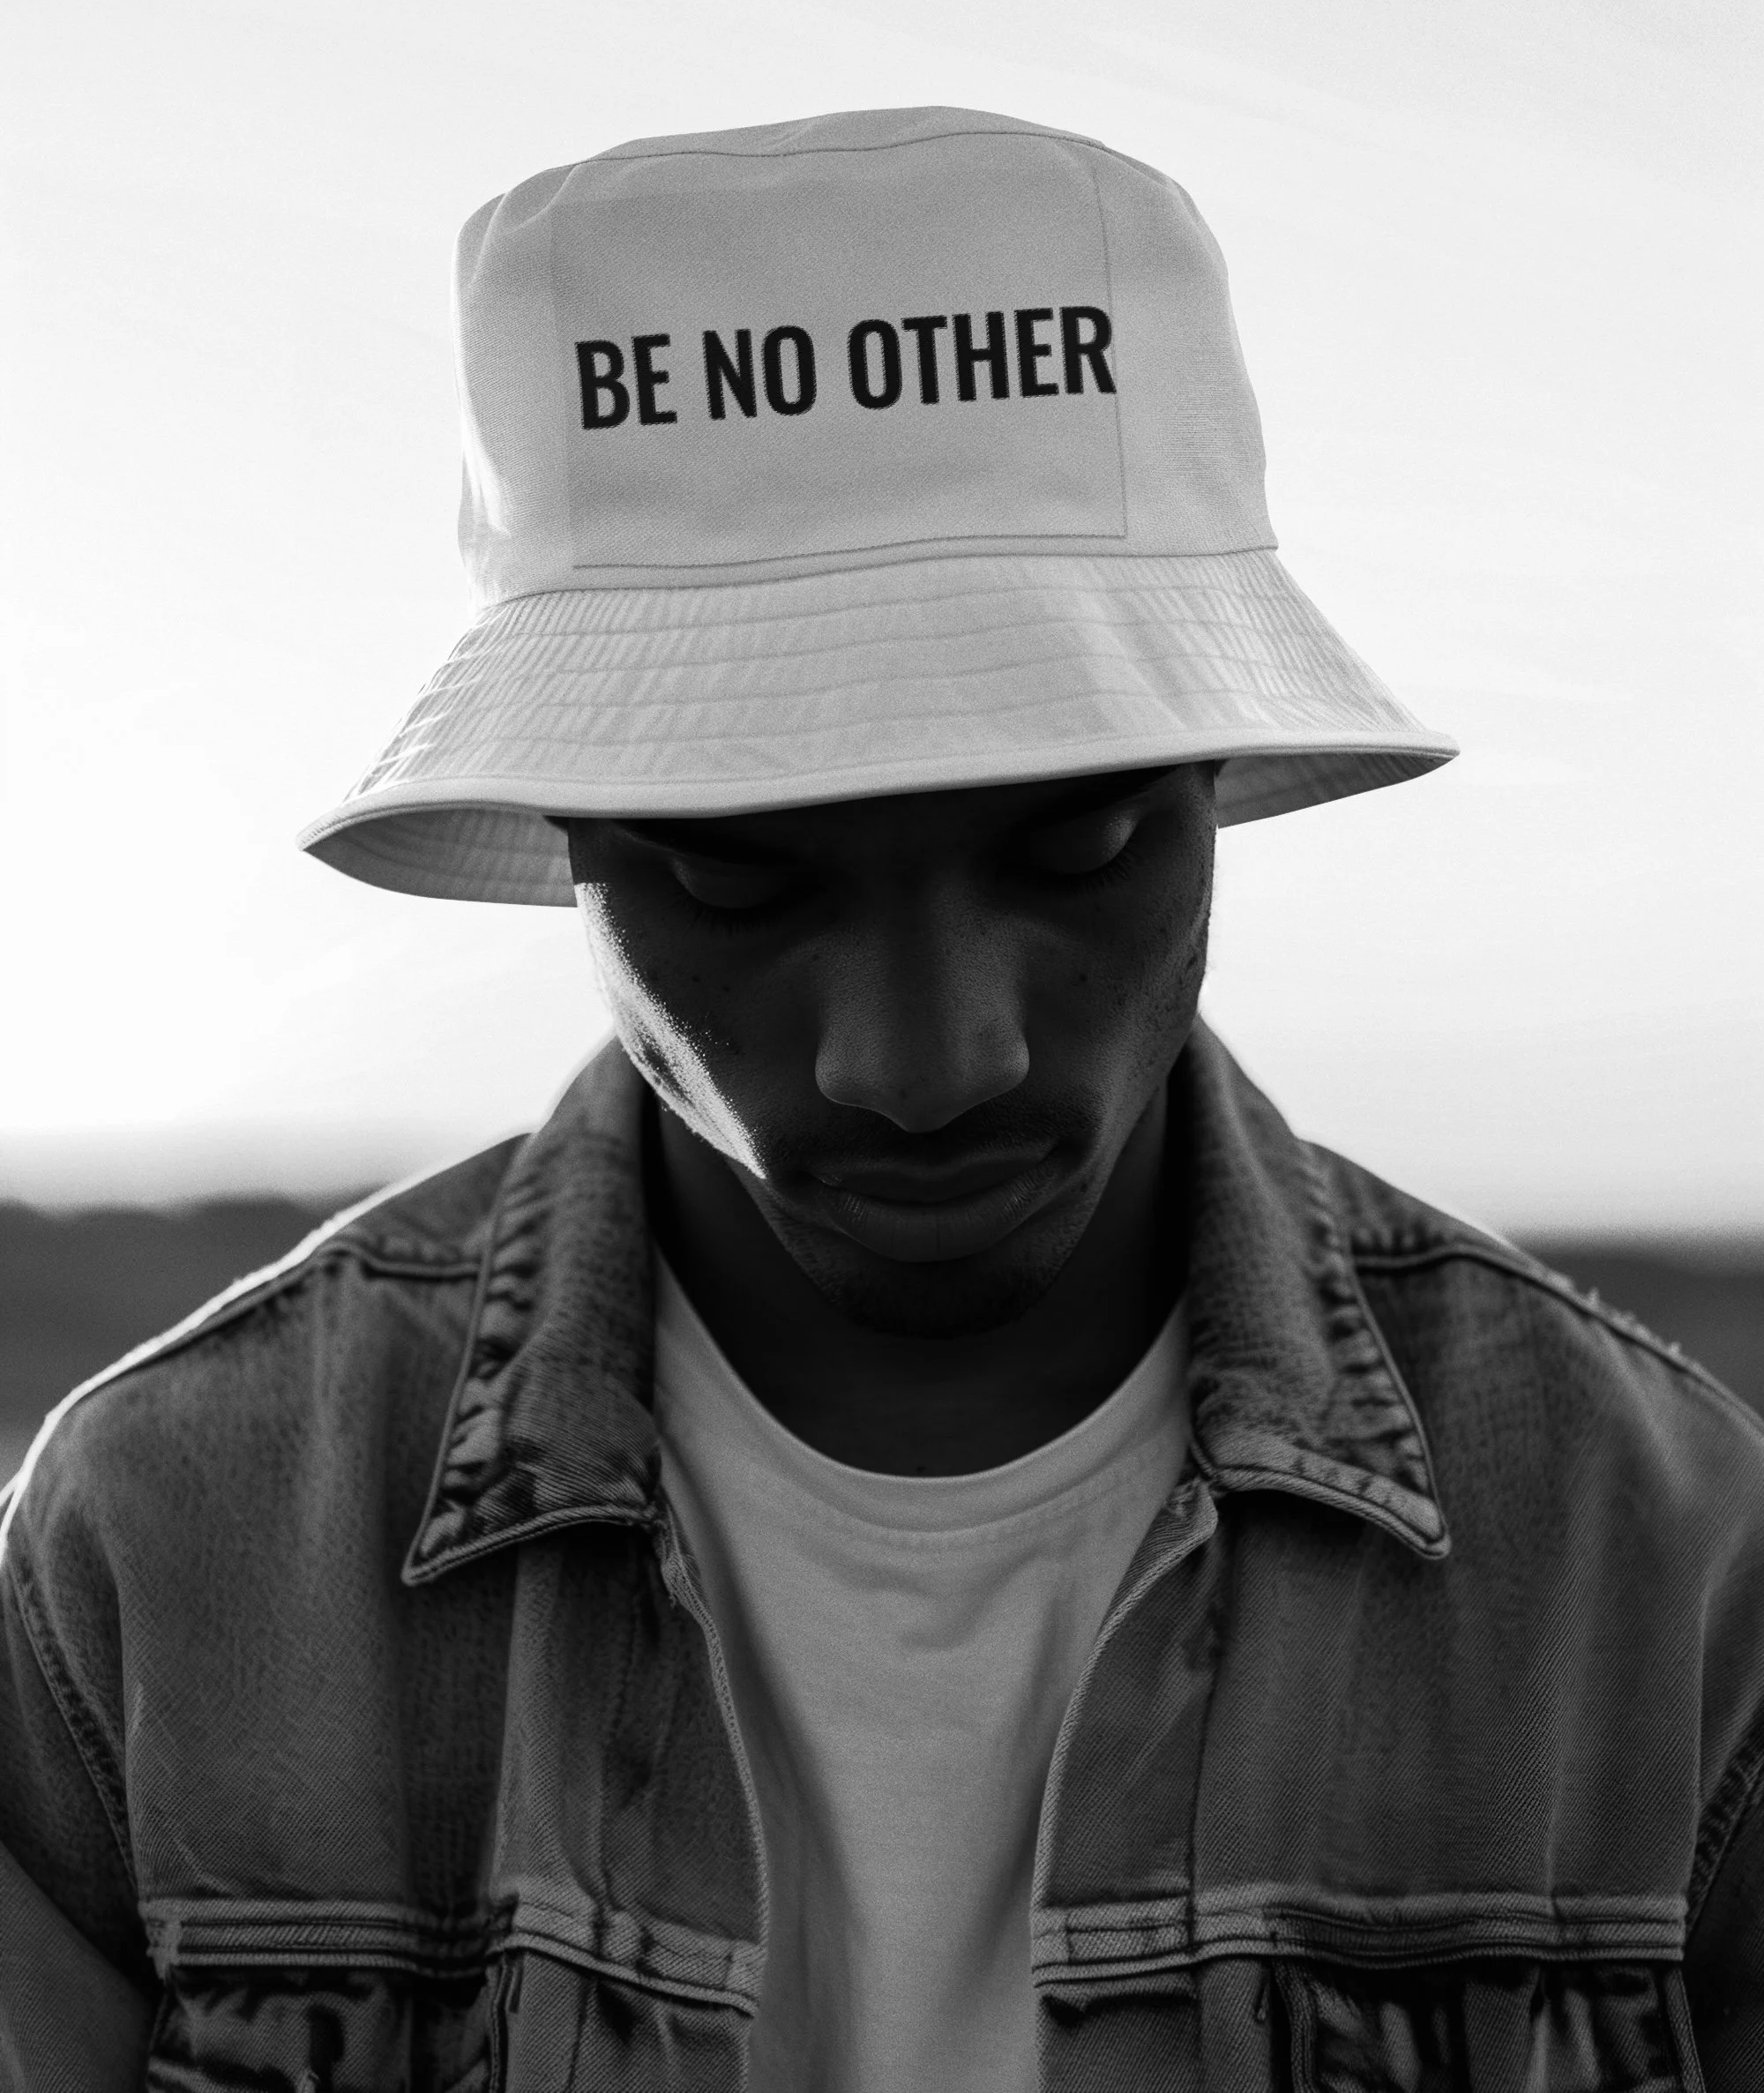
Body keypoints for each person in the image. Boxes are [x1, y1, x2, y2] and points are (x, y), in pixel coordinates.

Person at [1, 106, 1758, 2090]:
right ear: (568, 843)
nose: (930, 1062)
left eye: (1075, 846)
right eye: (743, 881)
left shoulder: (1660, 1556)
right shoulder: (159, 1550)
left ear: (1205, 800)